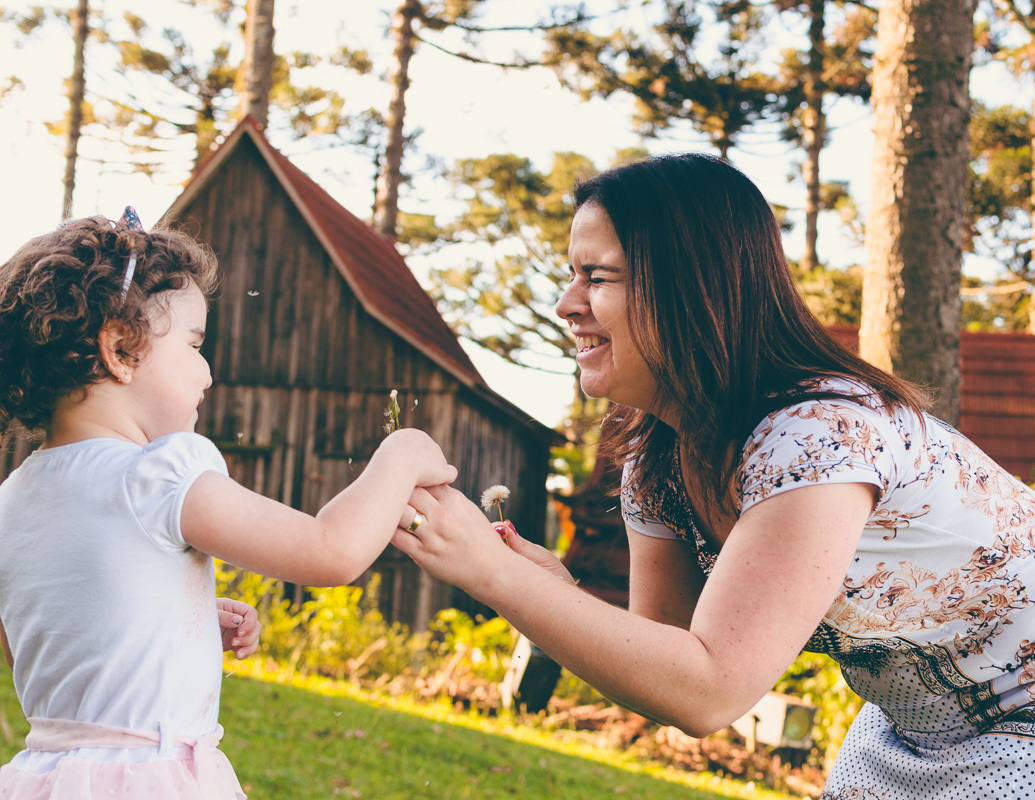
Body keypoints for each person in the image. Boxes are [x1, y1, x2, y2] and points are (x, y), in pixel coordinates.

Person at [392, 153, 1035, 800]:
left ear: (689, 286)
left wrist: (492, 573)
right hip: (912, 727)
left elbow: (709, 691)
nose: (566, 304)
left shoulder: (818, 437)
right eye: (571, 276)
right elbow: (667, 665)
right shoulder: (656, 461)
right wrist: (548, 590)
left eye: (597, 277)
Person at [0, 211, 456, 799]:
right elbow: (329, 552)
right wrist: (402, 453)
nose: (208, 372)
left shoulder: (13, 496)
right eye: (194, 345)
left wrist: (162, 620)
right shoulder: (162, 472)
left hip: (45, 778)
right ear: (119, 349)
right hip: (153, 780)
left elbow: (34, 640)